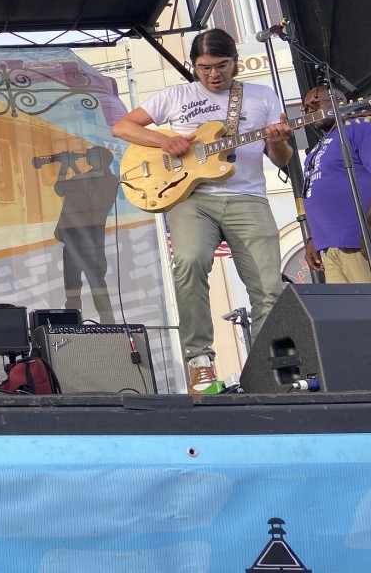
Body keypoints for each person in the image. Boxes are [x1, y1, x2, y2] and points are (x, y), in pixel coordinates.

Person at [111, 29, 293, 394]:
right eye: (204, 67)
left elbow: (281, 159)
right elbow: (122, 126)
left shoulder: (262, 96)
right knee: (190, 262)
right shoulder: (176, 95)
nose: (213, 75)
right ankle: (200, 361)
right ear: (194, 66)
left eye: (221, 66)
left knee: (269, 287)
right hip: (192, 198)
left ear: (234, 62)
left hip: (248, 197)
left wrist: (278, 143)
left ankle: (267, 367)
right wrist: (165, 140)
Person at [301, 85, 371, 283]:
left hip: (359, 242)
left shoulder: (360, 127)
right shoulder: (315, 150)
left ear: (338, 102)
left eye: (316, 103)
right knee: (349, 312)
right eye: (306, 108)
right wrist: (314, 238)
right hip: (329, 248)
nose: (311, 111)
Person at [51, 145, 120, 323]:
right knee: (74, 284)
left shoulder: (107, 180)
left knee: (94, 282)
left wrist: (66, 166)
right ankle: (74, 323)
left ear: (102, 159)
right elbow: (69, 187)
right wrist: (69, 166)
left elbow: (64, 187)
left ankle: (107, 322)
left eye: (92, 155)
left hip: (88, 235)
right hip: (75, 235)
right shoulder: (96, 178)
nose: (87, 157)